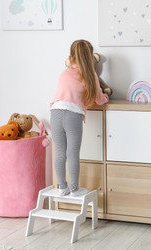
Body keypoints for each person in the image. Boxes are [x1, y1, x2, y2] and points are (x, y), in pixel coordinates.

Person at [50, 40, 110, 197]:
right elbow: (98, 99)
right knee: (73, 153)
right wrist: (106, 97)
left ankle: (62, 187)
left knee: (60, 153)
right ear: (90, 57)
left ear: (70, 58)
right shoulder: (90, 76)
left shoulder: (63, 74)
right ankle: (75, 189)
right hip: (72, 115)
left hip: (55, 112)